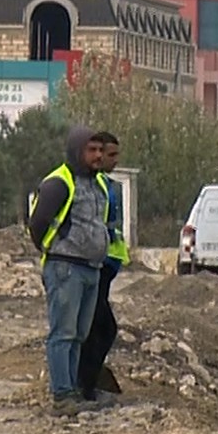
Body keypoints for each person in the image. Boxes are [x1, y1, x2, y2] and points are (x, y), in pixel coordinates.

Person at [25, 125, 112, 416]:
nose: (98, 156)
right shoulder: (59, 183)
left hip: (90, 268)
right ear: (77, 150)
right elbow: (37, 223)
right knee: (63, 333)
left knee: (79, 334)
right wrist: (54, 250)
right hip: (66, 268)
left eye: (100, 150)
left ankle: (73, 389)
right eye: (92, 150)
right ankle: (62, 395)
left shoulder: (97, 184)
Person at [75, 132, 130, 406]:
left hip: (106, 264)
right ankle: (84, 385)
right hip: (96, 265)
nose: (113, 160)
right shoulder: (95, 186)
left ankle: (88, 382)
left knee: (100, 327)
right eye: (110, 155)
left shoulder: (106, 185)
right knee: (101, 328)